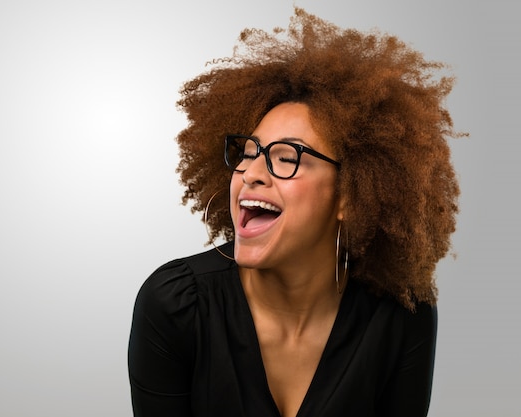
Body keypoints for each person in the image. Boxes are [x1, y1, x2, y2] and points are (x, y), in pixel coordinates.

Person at [128, 8, 463, 417]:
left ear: (350, 195)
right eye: (248, 153)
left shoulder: (399, 316)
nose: (251, 172)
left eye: (286, 158)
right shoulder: (177, 306)